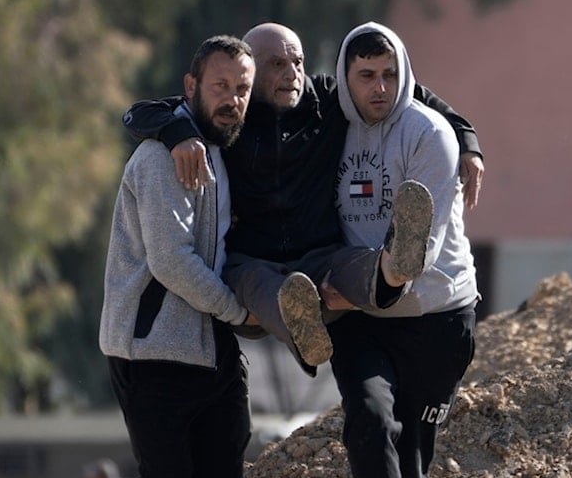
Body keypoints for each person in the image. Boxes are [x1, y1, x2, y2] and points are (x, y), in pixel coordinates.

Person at [122, 22, 483, 375]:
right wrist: (176, 132)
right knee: (255, 281)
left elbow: (404, 88)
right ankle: (302, 327)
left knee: (355, 262)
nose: (292, 73)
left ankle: (394, 268)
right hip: (252, 259)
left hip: (320, 253)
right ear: (250, 72)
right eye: (277, 64)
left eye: (298, 62)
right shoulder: (230, 115)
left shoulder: (326, 101)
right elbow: (141, 112)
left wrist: (465, 138)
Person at [319, 21, 480, 478]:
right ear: (345, 78)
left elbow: (428, 243)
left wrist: (470, 142)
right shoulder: (327, 128)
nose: (380, 88)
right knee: (367, 420)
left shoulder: (431, 132)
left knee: (412, 456)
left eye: (390, 74)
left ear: (405, 73)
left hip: (438, 313)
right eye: (366, 75)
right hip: (361, 318)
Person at [99, 35, 257, 478]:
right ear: (192, 87)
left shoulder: (224, 149)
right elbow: (171, 262)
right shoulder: (161, 157)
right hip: (152, 350)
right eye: (220, 86)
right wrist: (238, 311)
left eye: (241, 88)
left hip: (212, 347)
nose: (232, 98)